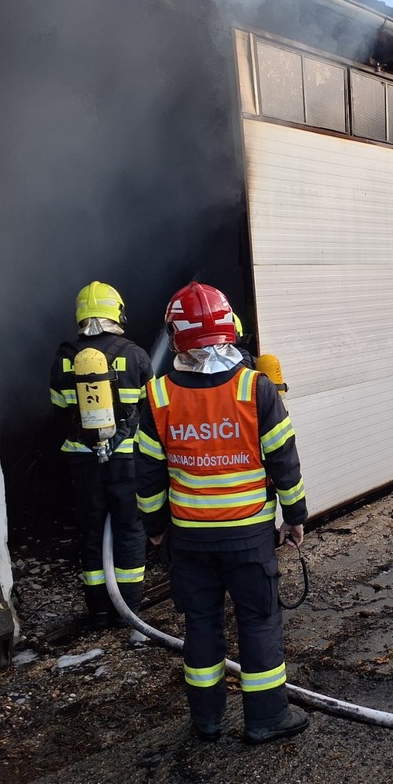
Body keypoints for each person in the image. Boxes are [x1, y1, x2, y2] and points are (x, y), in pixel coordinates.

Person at [135, 282, 310, 745]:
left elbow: (147, 475)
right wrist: (295, 516)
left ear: (176, 336)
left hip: (189, 540)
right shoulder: (256, 387)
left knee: (201, 625)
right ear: (229, 328)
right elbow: (284, 460)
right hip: (249, 538)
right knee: (258, 621)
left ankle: (207, 720)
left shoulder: (158, 396)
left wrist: (155, 528)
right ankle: (267, 718)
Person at [49, 281, 153, 630]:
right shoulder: (135, 355)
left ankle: (99, 612)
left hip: (82, 461)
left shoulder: (64, 358)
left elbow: (59, 410)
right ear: (117, 312)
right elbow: (150, 409)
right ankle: (130, 611)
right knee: (129, 528)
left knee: (91, 531)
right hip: (125, 458)